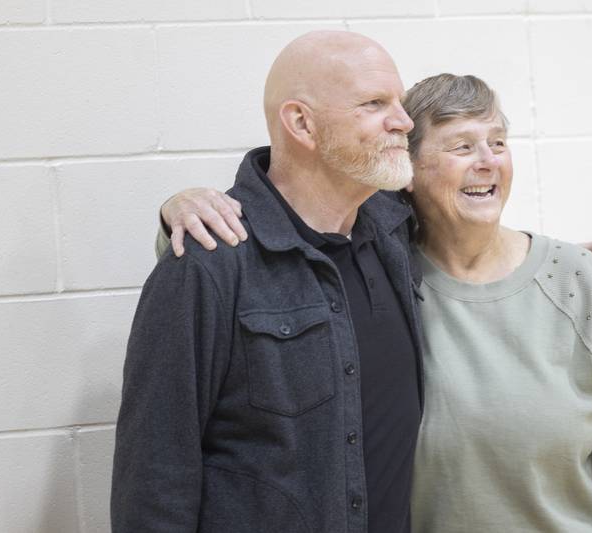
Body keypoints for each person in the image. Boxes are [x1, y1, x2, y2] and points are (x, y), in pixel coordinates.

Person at [158, 74, 592, 531]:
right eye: (462, 147)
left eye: (498, 143)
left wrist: (573, 269)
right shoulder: (377, 276)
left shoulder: (579, 281)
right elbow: (272, 259)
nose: (487, 162)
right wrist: (178, 210)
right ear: (407, 172)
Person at [112, 31, 424, 533]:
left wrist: (553, 264)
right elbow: (154, 476)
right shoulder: (208, 262)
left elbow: (474, 231)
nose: (403, 122)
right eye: (374, 104)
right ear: (302, 123)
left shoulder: (394, 231)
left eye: (400, 103)